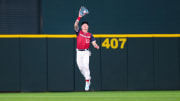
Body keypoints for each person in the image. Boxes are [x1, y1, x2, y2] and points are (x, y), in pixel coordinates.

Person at [74, 9, 99, 91]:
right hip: (78, 52)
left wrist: (95, 45)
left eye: (86, 25)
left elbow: (93, 42)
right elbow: (75, 25)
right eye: (83, 25)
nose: (85, 26)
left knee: (86, 66)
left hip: (85, 53)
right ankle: (88, 78)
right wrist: (79, 17)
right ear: (81, 27)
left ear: (88, 27)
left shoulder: (90, 35)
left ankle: (87, 82)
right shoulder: (79, 32)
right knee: (81, 68)